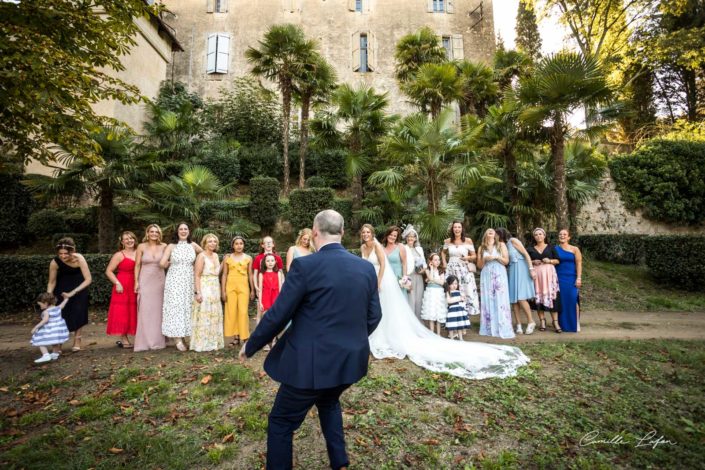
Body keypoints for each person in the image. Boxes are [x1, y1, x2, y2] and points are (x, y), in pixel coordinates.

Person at [240, 210, 382, 470]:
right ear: (341, 233)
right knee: (328, 401)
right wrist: (351, 340)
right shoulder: (365, 268)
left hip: (310, 364)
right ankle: (339, 462)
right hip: (350, 361)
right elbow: (375, 316)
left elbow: (279, 313)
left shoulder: (306, 266)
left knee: (281, 421)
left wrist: (251, 344)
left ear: (315, 232)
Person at [364, 227, 529, 379]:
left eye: (368, 232)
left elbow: (392, 264)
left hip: (388, 280)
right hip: (377, 279)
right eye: (363, 233)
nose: (366, 235)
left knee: (394, 309)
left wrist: (401, 278)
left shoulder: (391, 247)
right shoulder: (366, 247)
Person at [160, 222, 202, 351]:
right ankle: (177, 338)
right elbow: (162, 263)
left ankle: (184, 336)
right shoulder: (171, 246)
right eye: (181, 229)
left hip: (189, 279)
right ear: (177, 231)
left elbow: (204, 255)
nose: (183, 231)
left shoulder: (193, 245)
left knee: (187, 306)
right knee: (176, 306)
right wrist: (171, 262)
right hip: (175, 279)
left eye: (186, 229)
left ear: (189, 231)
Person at [47, 237, 92, 352]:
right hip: (61, 291)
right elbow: (52, 282)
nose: (62, 256)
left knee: (79, 314)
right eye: (60, 253)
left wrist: (73, 292)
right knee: (61, 316)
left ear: (72, 251)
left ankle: (77, 341)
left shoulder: (79, 258)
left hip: (79, 290)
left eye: (65, 253)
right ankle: (58, 344)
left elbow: (88, 279)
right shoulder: (55, 262)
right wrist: (48, 297)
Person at [496, 228, 537, 335]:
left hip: (521, 268)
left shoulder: (513, 241)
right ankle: (518, 324)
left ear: (501, 235)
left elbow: (526, 254)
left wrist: (531, 269)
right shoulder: (501, 245)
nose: (495, 237)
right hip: (511, 271)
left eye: (497, 235)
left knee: (521, 297)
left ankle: (531, 321)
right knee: (513, 299)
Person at [133, 224, 167, 351]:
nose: (154, 234)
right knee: (145, 309)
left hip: (159, 281)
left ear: (159, 234)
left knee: (158, 310)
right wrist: (136, 282)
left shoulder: (164, 246)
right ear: (147, 233)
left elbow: (168, 261)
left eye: (156, 232)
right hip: (145, 280)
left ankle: (158, 340)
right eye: (151, 232)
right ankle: (145, 341)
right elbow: (137, 265)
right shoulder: (141, 247)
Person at [477, 228, 514, 339]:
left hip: (499, 273)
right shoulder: (481, 248)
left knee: (500, 298)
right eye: (488, 230)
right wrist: (485, 259)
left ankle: (502, 327)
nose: (490, 231)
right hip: (486, 273)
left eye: (492, 230)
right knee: (488, 299)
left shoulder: (501, 245)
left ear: (495, 235)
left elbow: (506, 261)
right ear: (485, 234)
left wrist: (497, 257)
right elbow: (479, 265)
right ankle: (488, 327)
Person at [190, 234, 224, 352]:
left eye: (215, 241)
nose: (213, 243)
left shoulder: (215, 255)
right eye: (210, 241)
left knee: (214, 314)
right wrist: (198, 292)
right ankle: (202, 343)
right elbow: (197, 275)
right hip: (205, 286)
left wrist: (224, 261)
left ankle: (213, 342)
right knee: (205, 313)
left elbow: (217, 272)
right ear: (204, 243)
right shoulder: (201, 256)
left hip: (215, 287)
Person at [105, 231, 138, 348]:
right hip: (123, 284)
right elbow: (108, 271)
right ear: (122, 242)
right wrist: (117, 283)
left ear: (134, 239)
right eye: (126, 239)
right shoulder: (119, 255)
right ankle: (124, 338)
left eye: (131, 238)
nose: (129, 241)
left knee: (135, 310)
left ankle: (138, 336)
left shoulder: (139, 252)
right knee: (123, 311)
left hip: (136, 283)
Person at [442, 221, 479, 319]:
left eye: (459, 227)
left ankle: (465, 317)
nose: (457, 229)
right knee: (450, 290)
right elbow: (443, 252)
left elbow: (474, 256)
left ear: (462, 229)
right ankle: (450, 316)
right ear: (452, 229)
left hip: (463, 269)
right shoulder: (448, 241)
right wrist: (445, 263)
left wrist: (467, 258)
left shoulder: (468, 241)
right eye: (455, 227)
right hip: (451, 269)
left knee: (466, 290)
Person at [527, 228, 561, 332]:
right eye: (536, 235)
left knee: (552, 297)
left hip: (549, 275)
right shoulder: (530, 248)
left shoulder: (551, 247)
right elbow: (526, 261)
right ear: (534, 237)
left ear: (544, 235)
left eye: (540, 234)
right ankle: (542, 321)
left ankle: (555, 322)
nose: (538, 236)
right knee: (539, 298)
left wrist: (550, 260)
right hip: (537, 276)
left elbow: (558, 260)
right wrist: (533, 261)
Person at [221, 236, 254, 346]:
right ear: (233, 245)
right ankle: (236, 337)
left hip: (243, 286)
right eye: (236, 243)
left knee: (243, 311)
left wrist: (253, 290)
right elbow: (224, 274)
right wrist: (223, 291)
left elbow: (250, 274)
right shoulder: (227, 258)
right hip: (230, 287)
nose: (239, 245)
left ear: (244, 245)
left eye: (241, 243)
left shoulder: (248, 258)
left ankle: (245, 337)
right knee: (232, 311)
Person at [30, 292, 70, 363]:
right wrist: (66, 299)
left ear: (45, 303)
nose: (40, 307)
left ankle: (45, 355)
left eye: (40, 305)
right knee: (55, 342)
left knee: (40, 340)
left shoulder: (46, 312)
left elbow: (45, 320)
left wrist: (36, 327)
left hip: (50, 329)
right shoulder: (58, 308)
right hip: (58, 330)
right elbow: (63, 305)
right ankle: (55, 354)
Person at [252, 236, 284, 324]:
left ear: (273, 244)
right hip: (262, 288)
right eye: (266, 242)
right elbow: (255, 274)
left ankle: (274, 336)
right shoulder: (258, 258)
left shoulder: (277, 258)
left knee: (275, 313)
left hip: (275, 289)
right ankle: (258, 334)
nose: (269, 243)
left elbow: (281, 273)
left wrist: (282, 285)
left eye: (270, 242)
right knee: (260, 312)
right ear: (262, 245)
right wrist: (256, 286)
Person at [556, 229, 582, 333]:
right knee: (561, 301)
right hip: (559, 278)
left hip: (571, 278)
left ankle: (576, 323)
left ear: (569, 237)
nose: (562, 236)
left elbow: (579, 263)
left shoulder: (574, 249)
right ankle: (562, 324)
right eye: (560, 234)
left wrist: (579, 277)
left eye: (564, 234)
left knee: (573, 299)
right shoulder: (555, 249)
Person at [402, 225, 426, 320]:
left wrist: (423, 270)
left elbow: (424, 264)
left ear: (415, 238)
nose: (411, 238)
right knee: (410, 299)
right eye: (409, 236)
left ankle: (418, 322)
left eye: (413, 236)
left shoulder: (419, 249)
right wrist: (405, 279)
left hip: (419, 276)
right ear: (406, 237)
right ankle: (410, 322)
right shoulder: (403, 248)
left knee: (419, 299)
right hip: (408, 276)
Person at [420, 253, 446, 335]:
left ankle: (438, 334)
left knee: (438, 312)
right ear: (431, 261)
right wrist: (431, 268)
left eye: (439, 260)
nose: (438, 261)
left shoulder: (441, 270)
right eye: (435, 260)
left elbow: (442, 282)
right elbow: (430, 277)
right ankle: (431, 333)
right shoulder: (428, 270)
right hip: (431, 292)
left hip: (439, 293)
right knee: (431, 312)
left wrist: (432, 280)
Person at [360, 224, 386, 290]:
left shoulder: (377, 246)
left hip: (379, 277)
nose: (365, 234)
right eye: (363, 232)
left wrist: (378, 282)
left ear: (372, 234)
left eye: (368, 232)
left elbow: (383, 264)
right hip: (367, 279)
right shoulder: (362, 247)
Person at [445, 275, 470, 340]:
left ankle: (461, 338)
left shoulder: (459, 292)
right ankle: (451, 338)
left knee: (459, 325)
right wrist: (459, 298)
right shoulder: (448, 292)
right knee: (452, 324)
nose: (454, 285)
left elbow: (464, 300)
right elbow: (449, 301)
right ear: (448, 284)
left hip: (459, 310)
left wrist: (463, 298)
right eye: (452, 284)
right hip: (452, 311)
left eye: (456, 283)